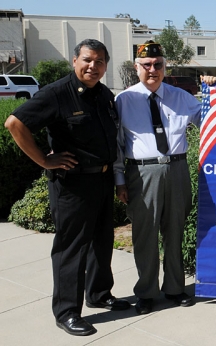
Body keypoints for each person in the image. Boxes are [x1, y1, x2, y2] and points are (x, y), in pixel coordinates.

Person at [4, 39, 129, 336]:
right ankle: (66, 311)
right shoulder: (57, 93)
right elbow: (14, 123)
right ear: (74, 61)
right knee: (71, 249)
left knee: (101, 240)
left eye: (99, 62)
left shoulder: (103, 94)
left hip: (101, 179)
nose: (93, 66)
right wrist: (44, 162)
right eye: (87, 60)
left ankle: (99, 294)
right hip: (72, 184)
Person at [113, 40, 216, 315]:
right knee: (145, 235)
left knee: (175, 231)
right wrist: (119, 180)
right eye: (146, 65)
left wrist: (212, 90)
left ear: (165, 66)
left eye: (158, 65)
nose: (152, 70)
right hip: (141, 172)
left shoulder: (181, 97)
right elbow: (117, 145)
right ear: (136, 68)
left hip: (177, 169)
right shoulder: (123, 101)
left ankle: (174, 288)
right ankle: (146, 292)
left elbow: (210, 120)